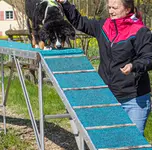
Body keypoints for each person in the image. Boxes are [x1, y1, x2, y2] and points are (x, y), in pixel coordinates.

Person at [57, 0, 152, 135]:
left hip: (134, 99)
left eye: (115, 7)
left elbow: (149, 58)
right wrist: (65, 3)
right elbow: (80, 22)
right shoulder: (103, 26)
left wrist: (133, 66)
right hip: (108, 97)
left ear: (127, 9)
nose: (111, 11)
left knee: (133, 142)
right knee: (110, 139)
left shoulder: (140, 31)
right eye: (109, 7)